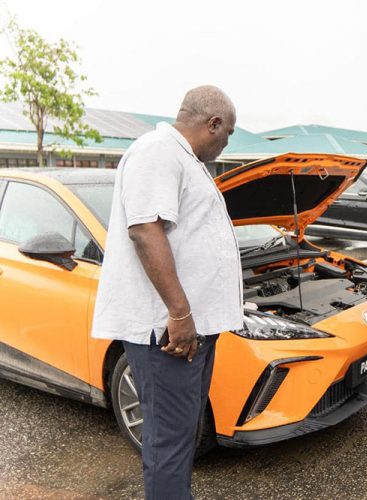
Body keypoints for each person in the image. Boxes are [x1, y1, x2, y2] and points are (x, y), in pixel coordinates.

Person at [91, 86, 243, 499]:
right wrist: (179, 314)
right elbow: (144, 229)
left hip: (187, 331)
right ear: (213, 124)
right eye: (226, 134)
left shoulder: (182, 159)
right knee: (169, 443)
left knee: (181, 435)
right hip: (167, 332)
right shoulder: (157, 151)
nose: (224, 143)